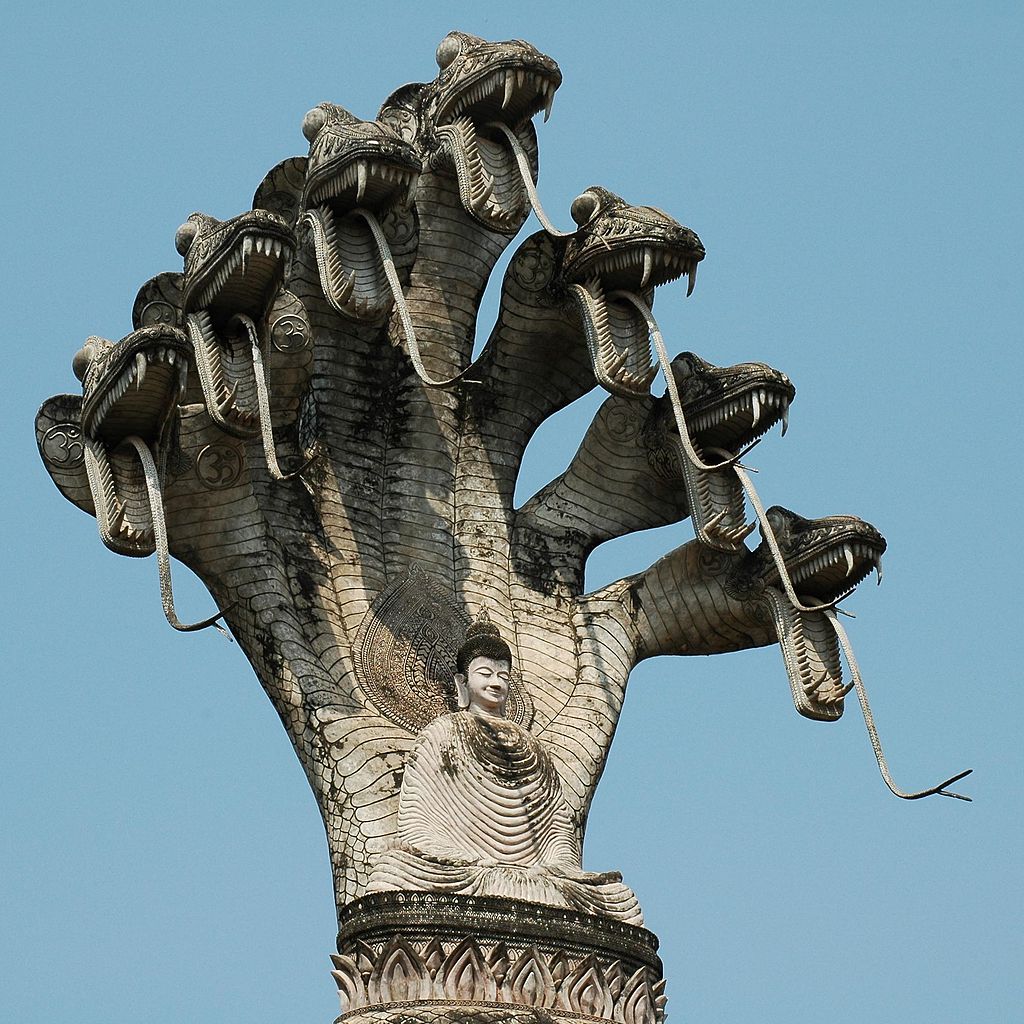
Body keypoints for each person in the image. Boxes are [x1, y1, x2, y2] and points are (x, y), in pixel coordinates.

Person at [366, 616, 644, 925]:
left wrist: (557, 865)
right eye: (484, 673)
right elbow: (416, 826)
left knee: (621, 902)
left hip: (538, 880)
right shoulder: (442, 733)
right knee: (390, 872)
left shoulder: (533, 748)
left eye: (503, 675)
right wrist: (465, 859)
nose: (496, 682)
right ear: (462, 683)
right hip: (464, 873)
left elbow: (557, 832)